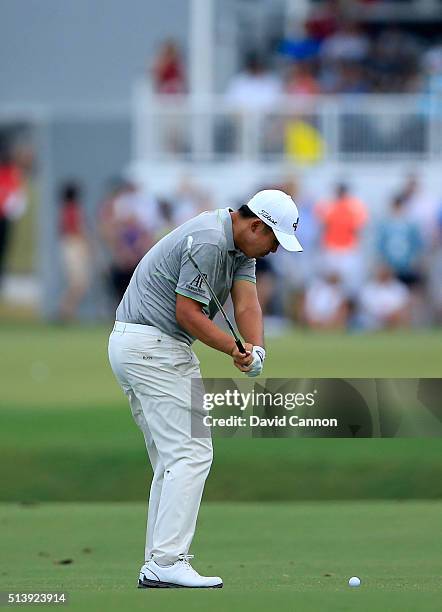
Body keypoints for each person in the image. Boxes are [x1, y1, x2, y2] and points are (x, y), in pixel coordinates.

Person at [107, 190, 302, 588]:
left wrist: (256, 348)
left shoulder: (239, 247)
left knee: (171, 458)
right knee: (191, 453)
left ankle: (158, 560)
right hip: (153, 347)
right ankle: (167, 561)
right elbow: (187, 312)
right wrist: (234, 349)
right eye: (273, 241)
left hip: (141, 345)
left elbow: (246, 305)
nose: (274, 252)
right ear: (254, 225)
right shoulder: (213, 241)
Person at [57, 181, 92, 321]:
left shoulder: (67, 209)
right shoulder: (72, 210)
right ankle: (64, 311)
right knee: (78, 283)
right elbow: (79, 229)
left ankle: (67, 312)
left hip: (71, 244)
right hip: (74, 245)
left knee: (79, 283)